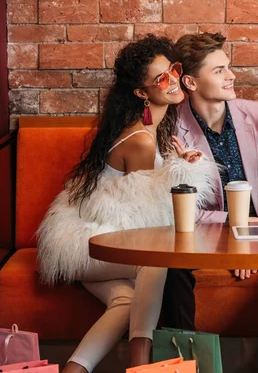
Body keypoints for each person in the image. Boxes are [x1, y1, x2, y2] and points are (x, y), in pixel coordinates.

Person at [37, 35, 215, 373]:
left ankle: (73, 370)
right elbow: (148, 222)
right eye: (161, 77)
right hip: (87, 244)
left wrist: (182, 165)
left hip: (99, 238)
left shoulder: (152, 132)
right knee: (155, 261)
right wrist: (180, 173)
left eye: (173, 70)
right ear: (141, 93)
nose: (174, 79)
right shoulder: (143, 141)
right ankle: (140, 365)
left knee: (126, 301)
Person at [161, 32, 258, 369]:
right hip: (207, 232)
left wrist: (256, 232)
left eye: (228, 67)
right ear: (190, 82)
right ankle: (186, 367)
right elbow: (178, 207)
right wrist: (236, 230)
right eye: (218, 70)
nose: (231, 75)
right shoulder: (171, 128)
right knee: (168, 267)